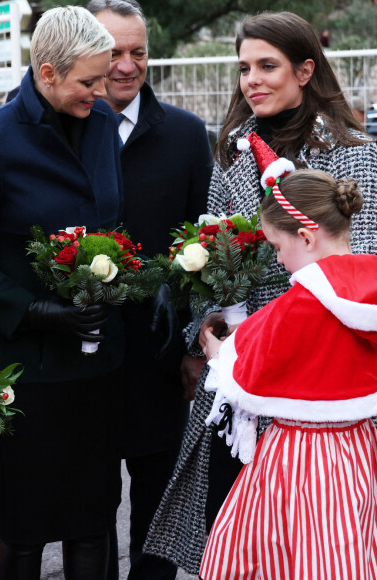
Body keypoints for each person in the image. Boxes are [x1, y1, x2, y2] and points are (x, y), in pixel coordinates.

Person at [145, 11, 377, 575]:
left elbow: (361, 270)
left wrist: (286, 322)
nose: (252, 79)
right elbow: (212, 248)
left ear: (305, 70)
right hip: (242, 366)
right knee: (239, 518)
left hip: (323, 371)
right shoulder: (232, 148)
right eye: (244, 67)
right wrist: (204, 330)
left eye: (267, 66)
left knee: (319, 535)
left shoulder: (351, 150)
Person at [0, 7, 122, 579]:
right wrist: (35, 311)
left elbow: (112, 229)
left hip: (95, 366)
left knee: (93, 520)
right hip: (25, 370)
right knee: (21, 527)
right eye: (88, 81)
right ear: (47, 73)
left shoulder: (102, 127)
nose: (102, 90)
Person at [85, 2, 213, 579]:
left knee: (157, 506)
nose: (127, 65)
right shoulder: (51, 132)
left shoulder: (186, 135)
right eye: (113, 52)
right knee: (87, 512)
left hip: (159, 357)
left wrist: (191, 346)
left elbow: (203, 246)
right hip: (77, 353)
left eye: (138, 52)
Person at [199, 166, 377, 579]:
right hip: (356, 446)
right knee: (340, 549)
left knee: (278, 552)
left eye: (277, 246)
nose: (277, 258)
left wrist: (217, 353)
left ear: (307, 236)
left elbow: (245, 374)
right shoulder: (365, 289)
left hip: (298, 454)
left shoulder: (300, 302)